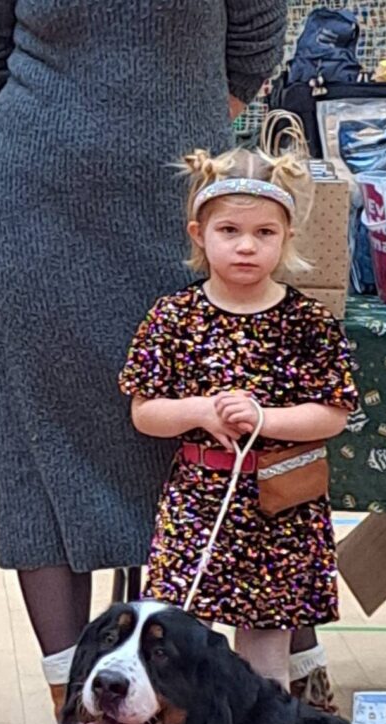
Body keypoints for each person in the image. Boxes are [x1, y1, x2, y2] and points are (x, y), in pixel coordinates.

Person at [0, 1, 288, 713]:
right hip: (40, 210)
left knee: (193, 440)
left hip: (185, 211)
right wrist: (64, 144)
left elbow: (256, 43)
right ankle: (73, 703)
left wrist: (165, 136)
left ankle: (168, 694)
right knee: (40, 450)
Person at [119, 139, 357, 686]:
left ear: (287, 237)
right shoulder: (173, 316)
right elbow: (145, 412)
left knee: (266, 655)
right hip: (196, 505)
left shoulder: (310, 323)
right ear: (199, 235)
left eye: (264, 233)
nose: (247, 246)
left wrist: (264, 420)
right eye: (229, 230)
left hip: (282, 510)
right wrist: (201, 411)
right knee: (177, 646)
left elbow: (333, 414)